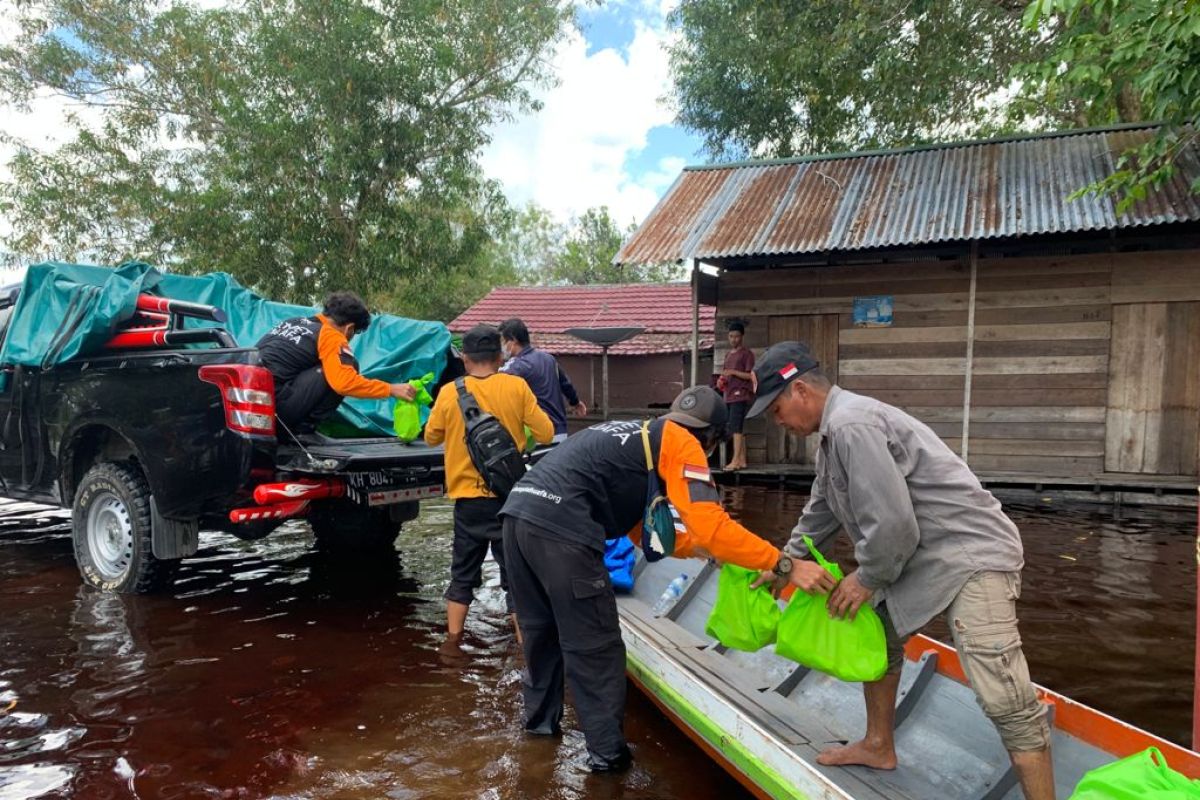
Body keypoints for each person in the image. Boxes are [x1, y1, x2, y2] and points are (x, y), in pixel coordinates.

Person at [746, 341, 1055, 800]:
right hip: (922, 556)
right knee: (879, 635)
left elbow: (892, 527)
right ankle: (878, 745)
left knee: (1002, 694)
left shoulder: (852, 425)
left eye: (775, 410)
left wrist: (867, 578)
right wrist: (783, 564)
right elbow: (821, 511)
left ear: (801, 391)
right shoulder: (833, 439)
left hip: (970, 555)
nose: (779, 423)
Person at [498, 385, 833, 773]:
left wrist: (707, 552)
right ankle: (608, 763)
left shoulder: (637, 437)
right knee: (596, 650)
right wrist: (784, 564)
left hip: (517, 518)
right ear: (711, 440)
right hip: (563, 532)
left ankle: (538, 737)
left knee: (542, 636)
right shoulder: (684, 443)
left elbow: (644, 532)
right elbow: (711, 525)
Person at [424, 324, 554, 653]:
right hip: (510, 498)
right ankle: (526, 650)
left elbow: (431, 437)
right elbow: (547, 433)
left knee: (462, 575)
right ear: (499, 358)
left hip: (468, 501)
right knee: (516, 575)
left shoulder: (449, 392)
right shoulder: (516, 386)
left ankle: (452, 645)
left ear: (465, 359)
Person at [255, 291, 415, 433]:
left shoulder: (291, 323)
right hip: (278, 413)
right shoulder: (331, 335)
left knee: (328, 366)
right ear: (349, 329)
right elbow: (344, 383)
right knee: (348, 366)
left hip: (253, 404)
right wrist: (391, 389)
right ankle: (303, 430)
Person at [498, 317, 586, 435]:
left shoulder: (517, 365)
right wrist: (576, 403)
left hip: (537, 435)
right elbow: (565, 384)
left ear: (513, 340)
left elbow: (492, 380)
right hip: (560, 431)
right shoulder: (548, 358)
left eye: (503, 341)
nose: (501, 347)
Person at [718, 321, 755, 470]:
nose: (734, 339)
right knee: (736, 427)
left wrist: (733, 372)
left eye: (737, 336)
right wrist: (722, 381)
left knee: (736, 428)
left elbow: (750, 376)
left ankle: (735, 461)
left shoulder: (746, 354)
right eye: (731, 336)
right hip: (729, 394)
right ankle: (742, 460)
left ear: (742, 337)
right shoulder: (728, 355)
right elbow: (726, 374)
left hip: (741, 394)